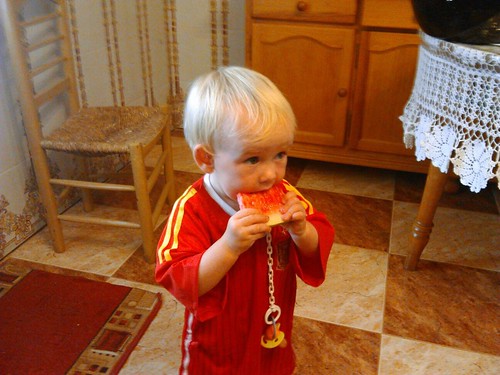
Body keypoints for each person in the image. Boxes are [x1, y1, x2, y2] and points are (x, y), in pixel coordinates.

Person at [155, 66, 335, 375]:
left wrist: (302, 231)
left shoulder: (284, 194)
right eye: (252, 159)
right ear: (206, 159)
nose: (270, 174)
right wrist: (228, 246)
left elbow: (317, 243)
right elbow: (176, 276)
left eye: (280, 154)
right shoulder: (193, 208)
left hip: (271, 319)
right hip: (218, 336)